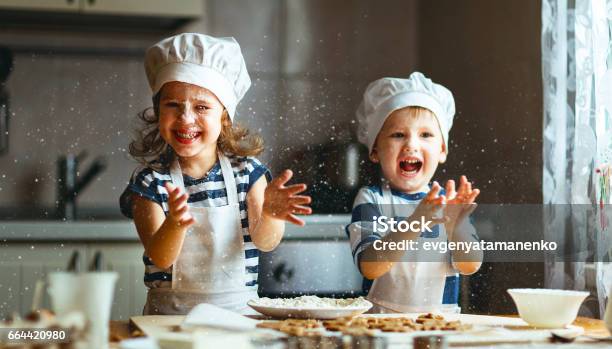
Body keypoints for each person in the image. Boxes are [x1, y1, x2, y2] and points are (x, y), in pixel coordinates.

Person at [119, 33, 311, 315]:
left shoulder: (248, 173)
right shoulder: (150, 183)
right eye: (172, 105)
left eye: (201, 107)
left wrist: (269, 213)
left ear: (224, 116)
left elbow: (265, 242)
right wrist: (174, 224)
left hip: (239, 317)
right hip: (170, 320)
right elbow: (160, 257)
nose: (185, 118)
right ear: (158, 111)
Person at [346, 72, 483, 313]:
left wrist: (457, 227)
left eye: (426, 135)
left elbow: (470, 264)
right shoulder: (371, 199)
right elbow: (370, 266)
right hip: (379, 327)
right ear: (375, 150)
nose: (411, 145)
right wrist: (417, 221)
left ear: (442, 150)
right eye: (398, 135)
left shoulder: (449, 203)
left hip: (440, 328)